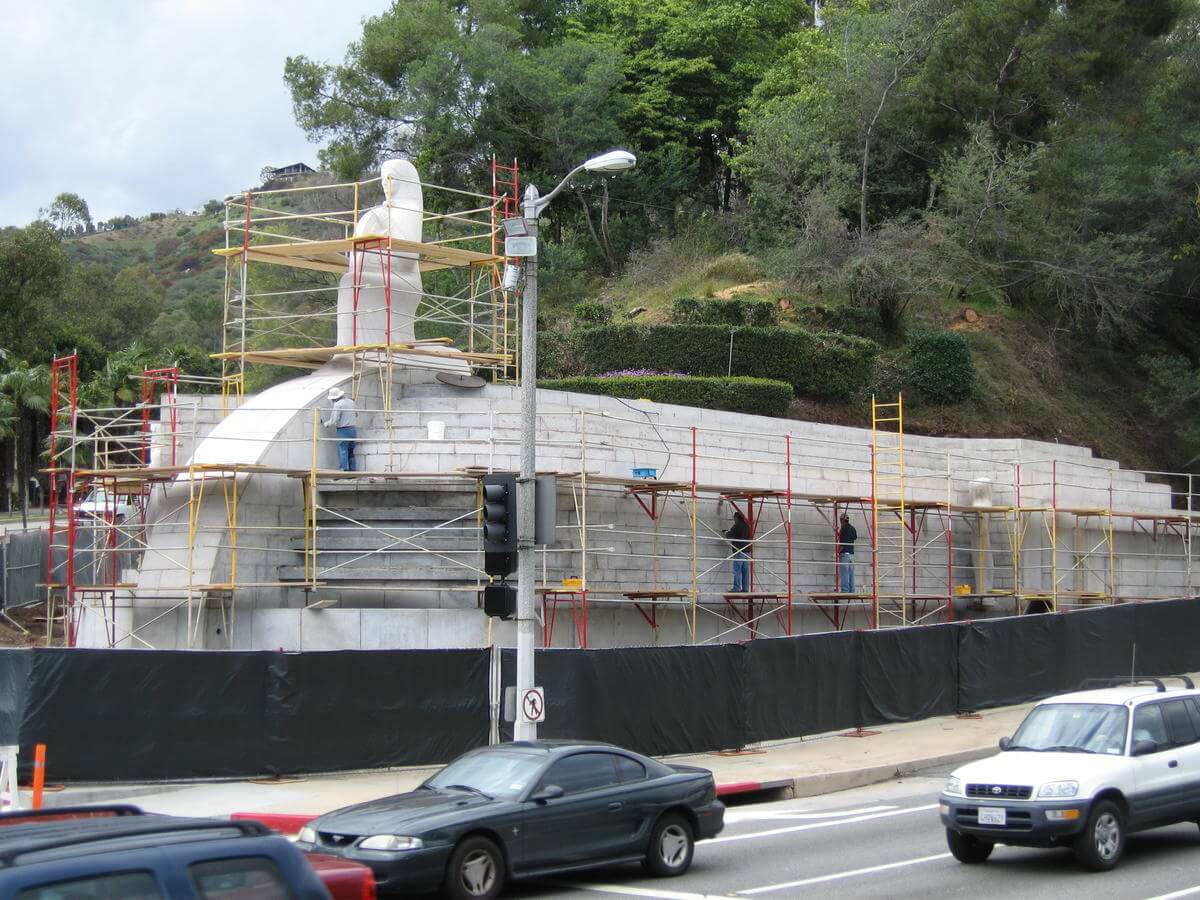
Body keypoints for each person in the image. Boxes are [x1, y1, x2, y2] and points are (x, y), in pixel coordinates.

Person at [322, 388, 358, 471]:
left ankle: (344, 470)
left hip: (343, 430)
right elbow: (356, 414)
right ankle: (353, 471)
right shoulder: (351, 402)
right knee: (351, 451)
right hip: (353, 430)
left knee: (343, 450)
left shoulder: (338, 404)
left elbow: (334, 419)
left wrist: (326, 424)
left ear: (335, 398)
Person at [725, 509, 751, 593]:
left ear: (737, 518)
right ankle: (745, 588)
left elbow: (729, 535)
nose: (734, 520)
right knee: (745, 571)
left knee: (737, 570)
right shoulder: (747, 526)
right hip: (747, 552)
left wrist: (726, 532)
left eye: (734, 518)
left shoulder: (737, 525)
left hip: (738, 551)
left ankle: (736, 588)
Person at [838, 512, 857, 593]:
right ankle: (852, 590)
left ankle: (845, 590)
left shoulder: (843, 529)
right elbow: (854, 538)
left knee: (844, 573)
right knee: (851, 573)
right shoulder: (853, 528)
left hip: (845, 554)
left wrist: (837, 553)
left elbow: (842, 543)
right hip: (851, 554)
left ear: (842, 520)